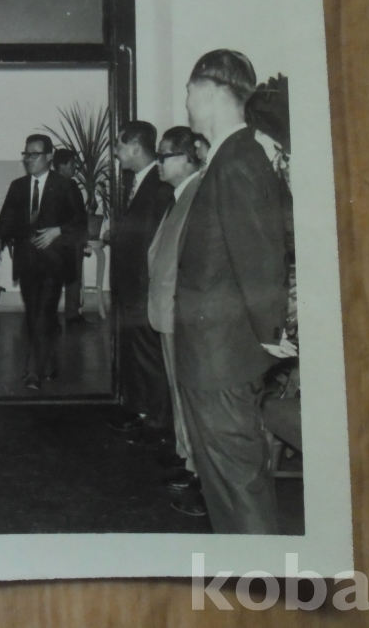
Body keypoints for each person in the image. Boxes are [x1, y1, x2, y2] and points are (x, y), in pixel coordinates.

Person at [176, 49, 290, 534]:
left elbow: (260, 255)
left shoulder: (238, 160)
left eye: (189, 92)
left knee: (238, 489)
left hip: (221, 360)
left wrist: (270, 333)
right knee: (227, 487)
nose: (186, 102)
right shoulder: (232, 156)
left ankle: (262, 578)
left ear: (210, 92)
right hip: (215, 357)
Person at [0, 135, 87, 390]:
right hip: (26, 261)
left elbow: (80, 223)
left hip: (54, 262)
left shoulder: (66, 186)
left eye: (35, 154)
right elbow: (7, 217)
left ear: (49, 157)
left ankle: (33, 371)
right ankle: (49, 361)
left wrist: (58, 230)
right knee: (35, 312)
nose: (29, 159)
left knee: (44, 311)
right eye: (27, 154)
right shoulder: (18, 186)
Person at [145, 126, 206, 516]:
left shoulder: (197, 195)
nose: (159, 163)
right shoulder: (179, 195)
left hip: (180, 312)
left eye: (165, 156)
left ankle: (198, 472)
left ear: (186, 159)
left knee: (187, 394)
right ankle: (187, 459)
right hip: (167, 310)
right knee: (177, 391)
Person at [107, 121, 175, 447]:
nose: (116, 153)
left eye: (119, 146)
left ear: (135, 147)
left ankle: (159, 423)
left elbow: (153, 244)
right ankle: (138, 410)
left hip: (142, 290)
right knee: (135, 354)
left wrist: (143, 293)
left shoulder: (158, 186)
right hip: (131, 289)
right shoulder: (139, 182)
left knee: (149, 356)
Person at [51, 148, 89, 324]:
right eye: (73, 163)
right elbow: (78, 215)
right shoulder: (70, 185)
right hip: (71, 239)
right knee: (73, 279)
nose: (75, 167)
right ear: (62, 164)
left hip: (53, 240)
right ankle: (72, 316)